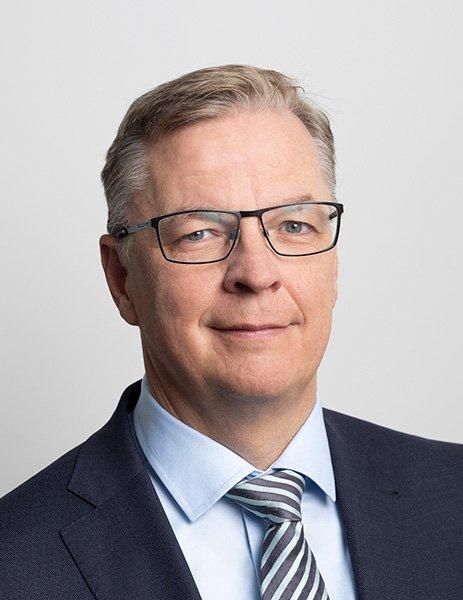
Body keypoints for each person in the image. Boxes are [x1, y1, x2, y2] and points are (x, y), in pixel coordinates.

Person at [1, 64, 462, 600]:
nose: (256, 274)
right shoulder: (15, 562)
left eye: (294, 225)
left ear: (333, 263)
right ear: (122, 278)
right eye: (199, 232)